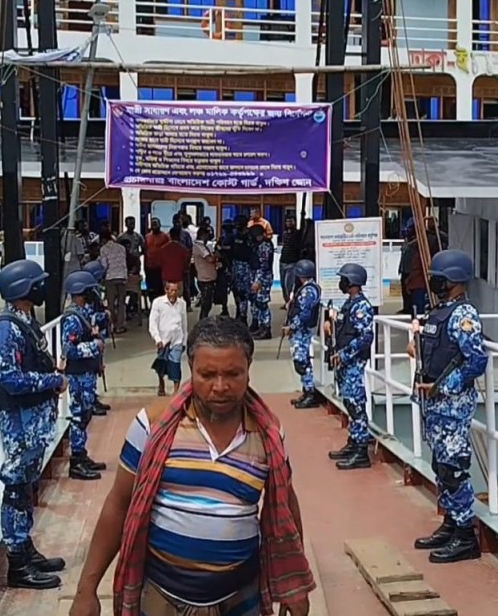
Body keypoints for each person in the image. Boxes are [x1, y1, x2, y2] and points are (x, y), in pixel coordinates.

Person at [67, 316, 315, 616]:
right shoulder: (152, 425)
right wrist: (86, 590)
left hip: (240, 598)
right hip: (162, 599)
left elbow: (285, 504)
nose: (220, 386)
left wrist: (294, 586)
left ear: (249, 369)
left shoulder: (269, 434)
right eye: (207, 374)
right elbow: (118, 504)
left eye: (233, 374)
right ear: (190, 369)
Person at [0, 259, 75, 588]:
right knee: (17, 490)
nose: (42, 288)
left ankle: (25, 548)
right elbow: (10, 379)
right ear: (24, 290)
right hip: (21, 424)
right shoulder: (5, 329)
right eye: (37, 284)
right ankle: (18, 564)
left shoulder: (25, 323)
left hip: (34, 423)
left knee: (26, 488)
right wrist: (52, 380)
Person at [407, 249, 487, 564]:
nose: (434, 282)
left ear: (454, 280)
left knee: (453, 469)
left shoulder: (464, 315)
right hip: (435, 406)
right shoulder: (441, 311)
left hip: (452, 406)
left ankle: (466, 536)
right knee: (441, 466)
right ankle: (452, 524)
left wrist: (442, 387)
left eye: (439, 278)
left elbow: (476, 361)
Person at [324, 262, 375, 470]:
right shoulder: (349, 304)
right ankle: (354, 442)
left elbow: (365, 337)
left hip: (353, 362)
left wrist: (345, 354)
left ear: (352, 281)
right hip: (345, 362)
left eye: (344, 279)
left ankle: (361, 450)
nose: (341, 283)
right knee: (349, 402)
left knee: (356, 404)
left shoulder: (361, 307)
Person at [62, 270, 107, 480]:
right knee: (79, 417)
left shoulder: (82, 313)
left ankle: (81, 454)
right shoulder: (72, 318)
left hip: (86, 373)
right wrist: (94, 346)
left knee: (85, 415)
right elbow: (69, 350)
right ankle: (76, 461)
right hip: (78, 375)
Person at [285, 259, 324, 409]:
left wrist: (292, 327)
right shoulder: (307, 288)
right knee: (301, 361)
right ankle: (307, 390)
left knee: (301, 362)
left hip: (301, 331)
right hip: (300, 330)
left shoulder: (308, 291)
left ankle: (310, 393)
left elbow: (304, 313)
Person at [81, 260, 113, 417]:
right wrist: (103, 316)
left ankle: (93, 397)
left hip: (99, 333)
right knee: (91, 367)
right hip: (92, 334)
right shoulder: (88, 294)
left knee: (97, 366)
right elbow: (90, 316)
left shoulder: (96, 291)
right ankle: (90, 402)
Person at [148, 281, 188, 395]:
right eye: (171, 290)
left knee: (176, 364)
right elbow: (153, 323)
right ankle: (161, 384)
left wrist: (184, 341)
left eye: (176, 291)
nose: (173, 293)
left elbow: (184, 324)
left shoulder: (182, 304)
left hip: (177, 340)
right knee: (161, 364)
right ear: (166, 291)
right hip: (163, 341)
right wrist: (157, 339)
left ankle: (176, 391)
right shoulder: (158, 303)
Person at [250, 224, 275, 340]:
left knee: (262, 304)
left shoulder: (265, 246)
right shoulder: (259, 245)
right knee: (258, 303)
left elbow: (263, 266)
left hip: (263, 278)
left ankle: (266, 328)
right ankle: (261, 327)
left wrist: (257, 281)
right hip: (259, 277)